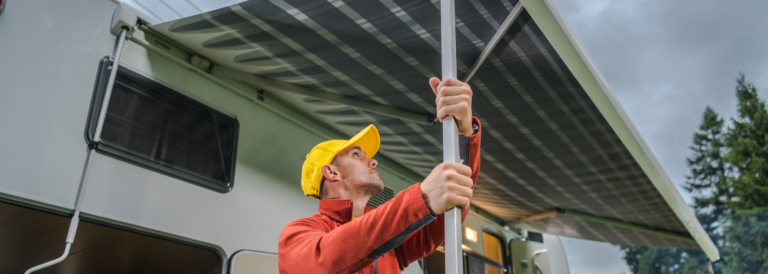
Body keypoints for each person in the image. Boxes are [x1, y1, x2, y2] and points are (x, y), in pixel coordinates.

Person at [278, 77, 482, 273]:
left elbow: (455, 198)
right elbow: (324, 261)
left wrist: (463, 134)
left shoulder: (391, 241)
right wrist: (422, 198)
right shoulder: (298, 234)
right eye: (356, 154)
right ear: (332, 172)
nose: (373, 161)